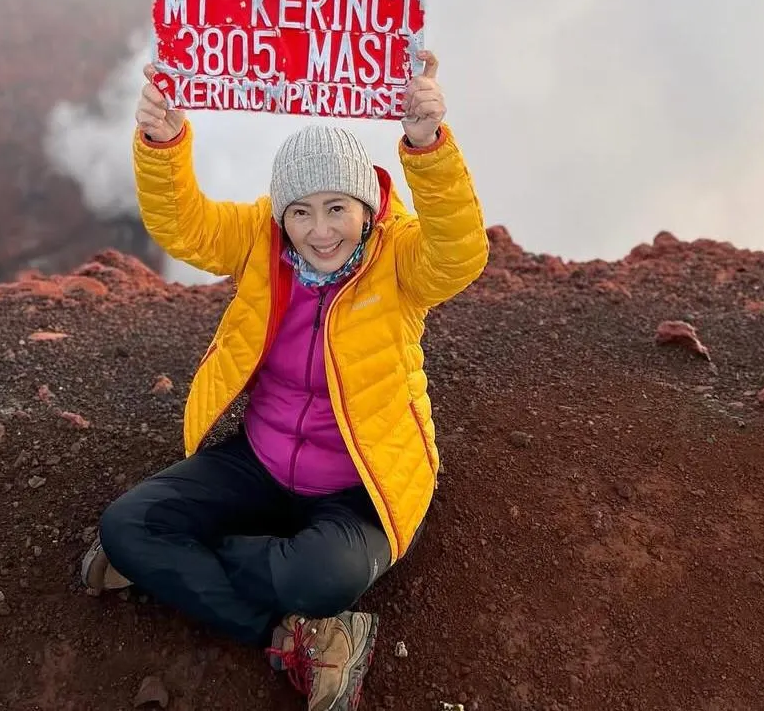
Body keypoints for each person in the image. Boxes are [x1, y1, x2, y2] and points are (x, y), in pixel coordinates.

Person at [80, 49, 489, 711]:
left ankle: (180, 566)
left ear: (366, 206)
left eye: (337, 208)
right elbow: (182, 224)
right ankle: (294, 638)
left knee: (319, 575)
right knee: (127, 524)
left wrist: (426, 144)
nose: (319, 230)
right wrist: (162, 141)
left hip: (360, 481)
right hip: (262, 461)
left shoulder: (402, 259)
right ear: (282, 213)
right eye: (301, 211)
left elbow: (462, 252)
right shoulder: (261, 240)